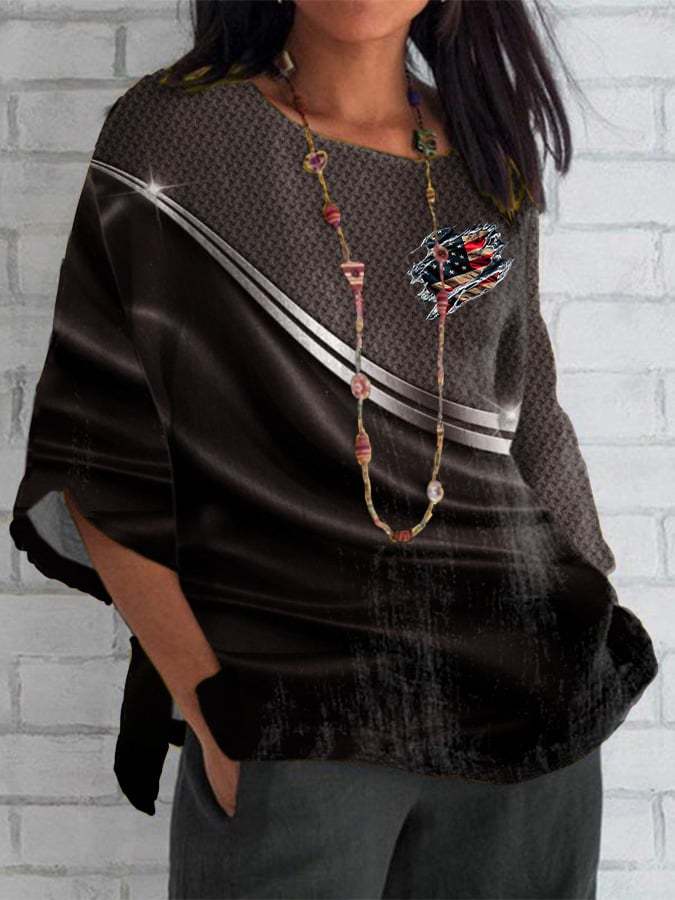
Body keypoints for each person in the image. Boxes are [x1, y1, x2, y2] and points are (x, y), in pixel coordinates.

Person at [8, 1, 658, 898]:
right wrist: (214, 711)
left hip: (530, 710)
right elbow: (93, 451)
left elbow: (528, 405)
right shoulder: (177, 135)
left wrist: (589, 614)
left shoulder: (484, 153)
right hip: (295, 720)